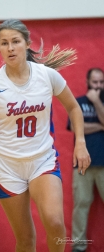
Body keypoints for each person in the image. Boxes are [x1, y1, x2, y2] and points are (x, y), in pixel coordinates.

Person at [0, 19, 91, 252]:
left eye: (15, 41)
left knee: (55, 222)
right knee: (25, 240)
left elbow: (74, 108)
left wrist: (80, 143)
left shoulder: (47, 76)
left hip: (42, 160)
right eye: (4, 43)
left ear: (27, 43)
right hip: (7, 166)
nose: (10, 47)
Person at [68, 68, 104, 252]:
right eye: (95, 82)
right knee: (81, 206)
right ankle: (78, 247)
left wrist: (97, 101)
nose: (98, 86)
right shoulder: (78, 103)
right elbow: (76, 127)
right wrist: (100, 125)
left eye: (101, 82)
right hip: (82, 163)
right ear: (87, 81)